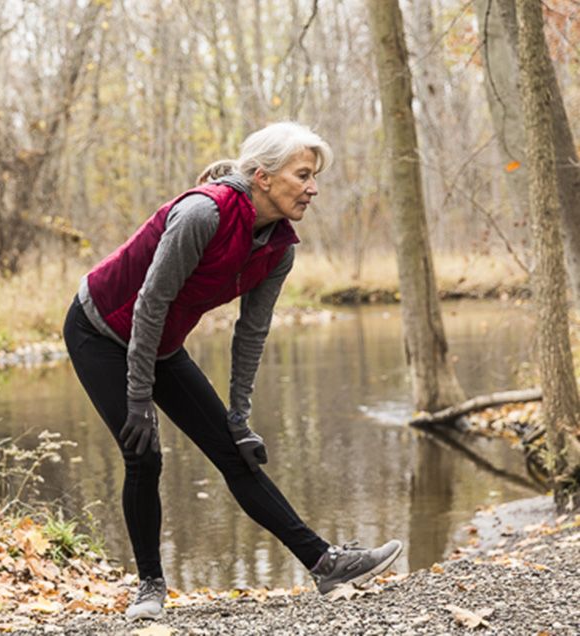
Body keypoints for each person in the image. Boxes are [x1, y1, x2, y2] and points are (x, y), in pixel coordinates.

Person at [62, 121, 402, 619]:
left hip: (160, 341)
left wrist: (240, 418)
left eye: (315, 176)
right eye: (303, 175)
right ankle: (150, 587)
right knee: (144, 452)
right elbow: (149, 304)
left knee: (235, 452)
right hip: (100, 329)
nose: (314, 187)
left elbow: (250, 335)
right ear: (263, 177)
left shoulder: (279, 247)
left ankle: (324, 563)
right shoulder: (203, 214)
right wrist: (138, 400)